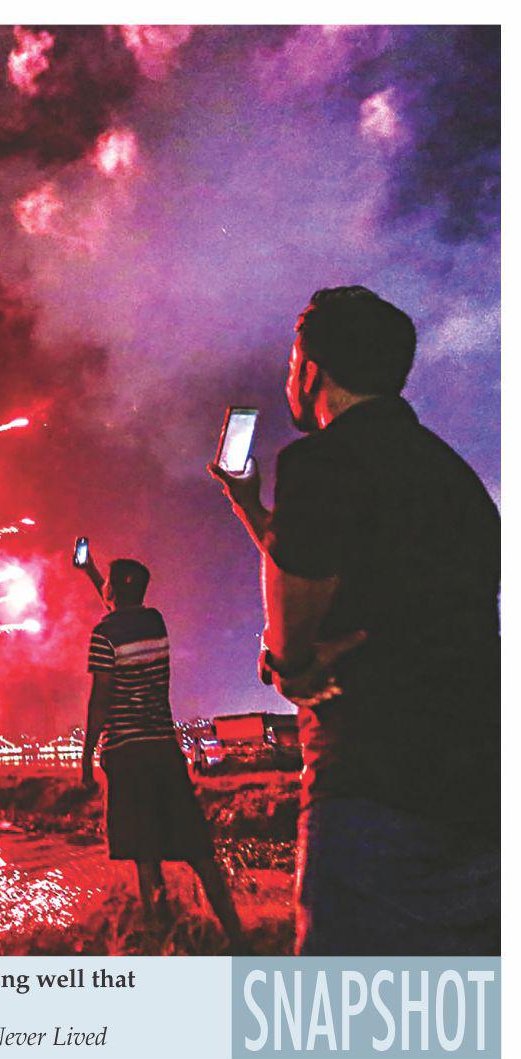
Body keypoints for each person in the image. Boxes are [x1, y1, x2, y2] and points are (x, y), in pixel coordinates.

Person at [210, 285, 499, 955]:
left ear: (311, 371)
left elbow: (290, 637)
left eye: (291, 363)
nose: (288, 378)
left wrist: (286, 662)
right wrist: (250, 508)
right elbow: (326, 564)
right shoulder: (454, 479)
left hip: (373, 780)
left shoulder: (320, 463)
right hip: (481, 784)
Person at [77, 551, 245, 948]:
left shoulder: (103, 635)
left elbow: (100, 700)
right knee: (197, 847)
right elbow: (121, 607)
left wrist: (85, 757)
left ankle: (161, 937)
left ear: (112, 591)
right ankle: (239, 938)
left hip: (126, 753)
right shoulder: (154, 622)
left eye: (107, 583)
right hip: (164, 750)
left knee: (144, 849)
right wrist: (92, 572)